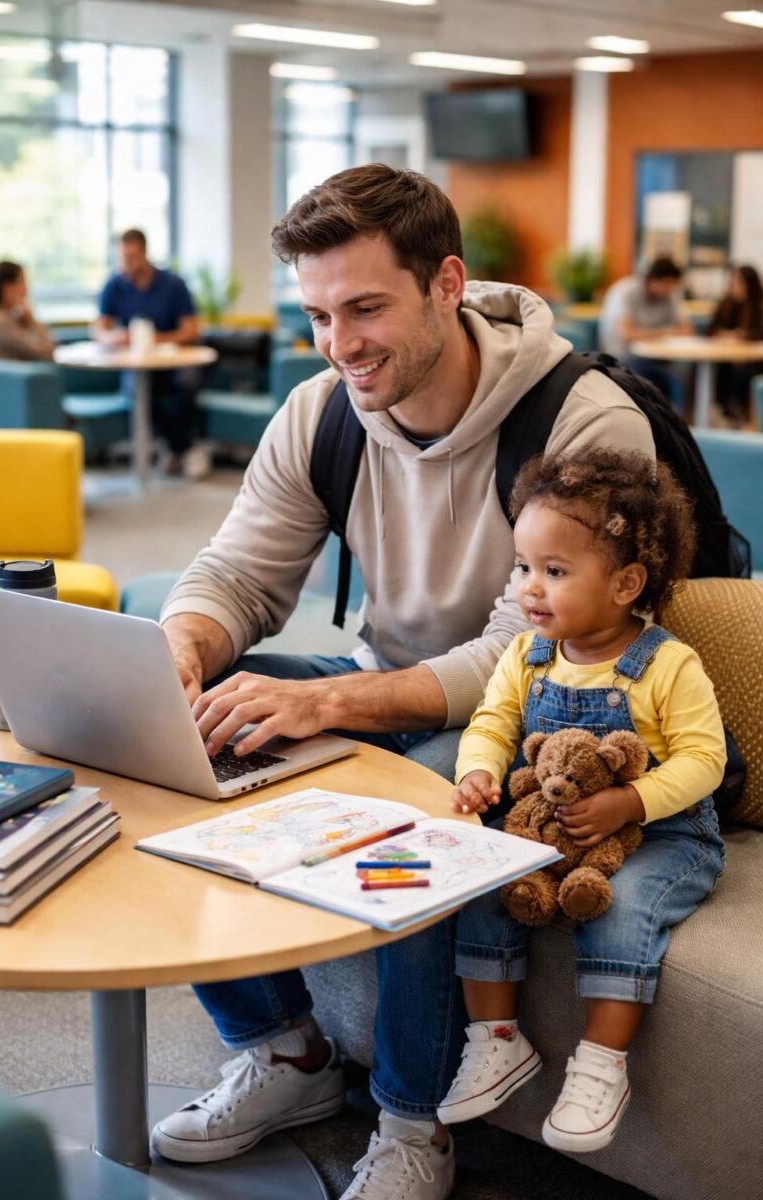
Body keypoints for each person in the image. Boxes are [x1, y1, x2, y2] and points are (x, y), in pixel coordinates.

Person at [153, 165, 655, 1200]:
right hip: (387, 676)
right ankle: (283, 1051)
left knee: (427, 798)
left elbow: (529, 648)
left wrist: (329, 702)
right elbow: (238, 572)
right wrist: (184, 647)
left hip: (543, 711)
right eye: (318, 314)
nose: (341, 344)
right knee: (174, 728)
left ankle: (411, 1123)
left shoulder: (583, 420)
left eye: (365, 307)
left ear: (445, 285)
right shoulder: (321, 411)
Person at [441, 447, 725, 1153]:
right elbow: (493, 723)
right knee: (480, 884)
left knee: (619, 909)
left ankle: (601, 1063)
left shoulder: (666, 664)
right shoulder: (529, 653)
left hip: (665, 834)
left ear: (627, 582)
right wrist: (477, 772)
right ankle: (497, 1038)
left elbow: (704, 760)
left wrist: (630, 801)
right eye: (523, 567)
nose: (530, 589)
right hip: (551, 823)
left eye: (555, 572)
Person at [92, 228, 210, 480]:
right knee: (138, 388)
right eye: (122, 257)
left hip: (176, 361)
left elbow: (190, 330)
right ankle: (183, 447)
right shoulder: (115, 285)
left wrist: (156, 339)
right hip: (140, 363)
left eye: (132, 256)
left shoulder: (173, 284)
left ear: (145, 254)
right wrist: (113, 337)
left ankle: (176, 448)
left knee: (187, 383)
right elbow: (99, 327)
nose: (127, 263)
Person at [599, 257, 691, 408]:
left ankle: (675, 422)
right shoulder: (625, 292)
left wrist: (649, 334)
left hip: (660, 356)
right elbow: (627, 334)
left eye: (673, 284)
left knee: (683, 372)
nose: (669, 289)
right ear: (651, 279)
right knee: (649, 375)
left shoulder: (671, 294)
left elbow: (687, 329)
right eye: (666, 284)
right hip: (624, 355)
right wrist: (666, 332)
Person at [707, 264, 763, 423]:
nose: (735, 285)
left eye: (739, 281)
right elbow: (712, 330)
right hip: (726, 357)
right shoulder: (726, 303)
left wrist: (742, 336)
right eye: (733, 281)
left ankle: (743, 414)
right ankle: (725, 412)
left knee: (743, 372)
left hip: (754, 359)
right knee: (720, 368)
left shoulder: (758, 305)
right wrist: (724, 335)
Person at [0, 261, 55, 361]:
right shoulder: (0, 322)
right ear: (7, 288)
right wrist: (32, 320)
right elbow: (48, 354)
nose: (27, 289)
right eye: (22, 282)